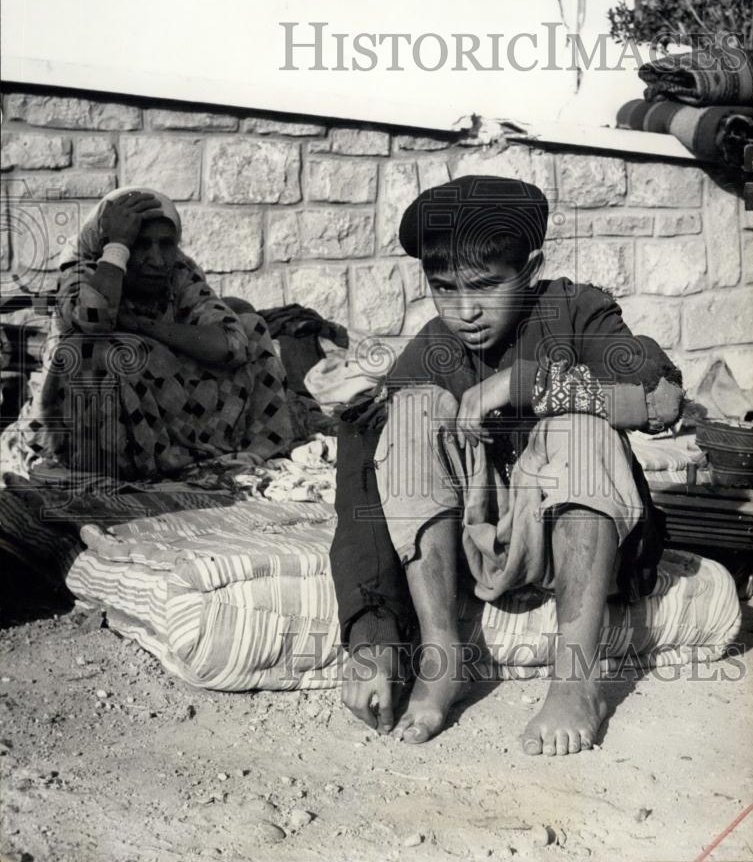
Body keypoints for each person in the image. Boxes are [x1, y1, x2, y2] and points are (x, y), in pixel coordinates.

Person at [330, 175, 684, 756]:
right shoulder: (435, 344)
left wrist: (526, 384)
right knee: (411, 408)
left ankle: (576, 679)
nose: (465, 311)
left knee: (578, 426)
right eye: (444, 289)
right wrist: (372, 636)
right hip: (473, 548)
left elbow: (663, 397)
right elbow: (362, 479)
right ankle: (443, 656)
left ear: (531, 266)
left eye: (486, 286)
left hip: (578, 540)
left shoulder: (575, 310)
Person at [3, 187, 292, 480]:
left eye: (165, 244)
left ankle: (202, 452)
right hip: (86, 423)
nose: (156, 259)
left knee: (249, 323)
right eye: (141, 244)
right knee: (95, 350)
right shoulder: (83, 273)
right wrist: (118, 247)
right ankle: (120, 465)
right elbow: (93, 318)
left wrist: (145, 327)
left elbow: (232, 344)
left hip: (172, 416)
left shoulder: (178, 273)